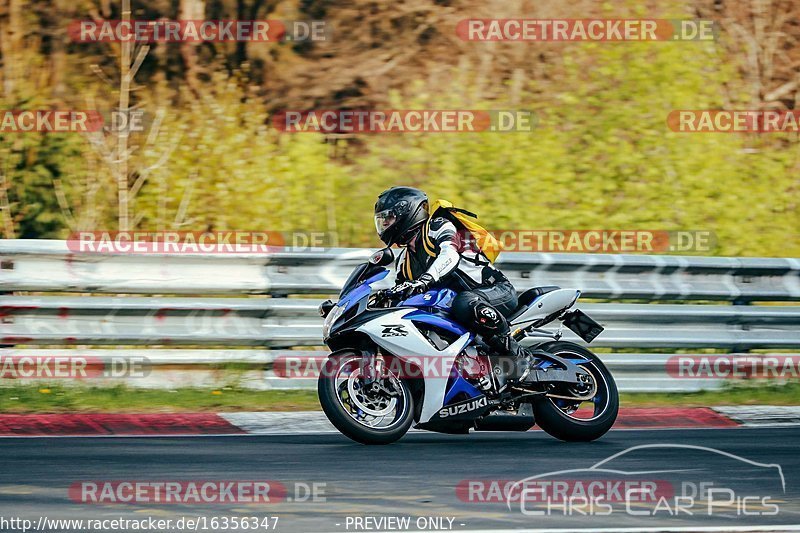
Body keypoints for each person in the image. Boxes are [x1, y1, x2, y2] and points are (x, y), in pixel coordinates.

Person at [374, 186, 529, 379]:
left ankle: (519, 358)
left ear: (407, 212)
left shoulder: (437, 226)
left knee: (464, 302)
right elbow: (400, 294)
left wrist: (426, 279)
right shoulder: (404, 261)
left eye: (389, 218)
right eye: (382, 220)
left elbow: (449, 253)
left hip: (494, 291)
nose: (385, 224)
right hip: (455, 307)